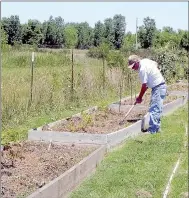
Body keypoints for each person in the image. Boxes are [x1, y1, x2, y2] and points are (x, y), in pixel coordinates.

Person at [128, 55, 167, 134]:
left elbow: (144, 86)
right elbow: (155, 64)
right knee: (157, 108)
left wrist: (139, 97)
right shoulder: (145, 60)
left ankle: (153, 130)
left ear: (137, 62)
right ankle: (157, 128)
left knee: (154, 109)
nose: (132, 68)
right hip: (160, 85)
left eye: (133, 66)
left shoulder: (142, 70)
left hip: (158, 87)